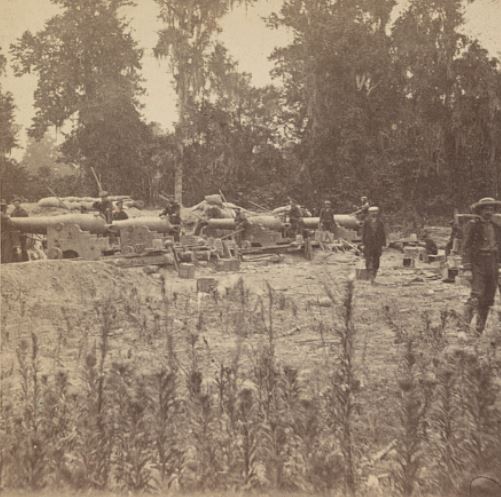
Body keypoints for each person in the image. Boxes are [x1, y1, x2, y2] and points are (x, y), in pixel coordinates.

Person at [462, 197, 501, 334]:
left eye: (491, 209)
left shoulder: (497, 228)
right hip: (477, 263)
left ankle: (479, 330)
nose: (489, 211)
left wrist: (499, 266)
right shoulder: (473, 225)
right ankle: (464, 328)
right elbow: (465, 247)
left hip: (492, 264)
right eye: (486, 208)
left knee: (489, 297)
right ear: (480, 210)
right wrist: (467, 268)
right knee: (476, 295)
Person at [361, 206, 386, 284]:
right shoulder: (366, 221)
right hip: (368, 244)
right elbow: (363, 233)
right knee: (368, 259)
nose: (374, 213)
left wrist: (383, 244)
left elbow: (383, 234)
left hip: (377, 244)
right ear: (369, 213)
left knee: (376, 260)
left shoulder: (380, 222)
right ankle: (369, 276)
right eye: (372, 212)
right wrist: (362, 243)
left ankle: (374, 276)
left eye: (375, 212)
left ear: (378, 212)